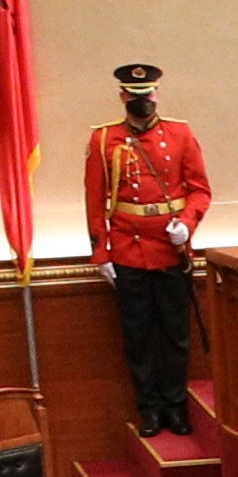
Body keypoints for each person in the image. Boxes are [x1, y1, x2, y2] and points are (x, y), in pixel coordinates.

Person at [89, 54, 214, 436]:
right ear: (123, 96)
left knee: (175, 333)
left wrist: (188, 224)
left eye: (148, 94)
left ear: (157, 94)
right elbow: (95, 200)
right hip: (128, 249)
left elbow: (200, 191)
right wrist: (102, 253)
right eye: (135, 95)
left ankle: (176, 406)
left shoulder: (180, 135)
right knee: (138, 336)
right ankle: (150, 408)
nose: (143, 101)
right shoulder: (104, 139)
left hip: (169, 248)